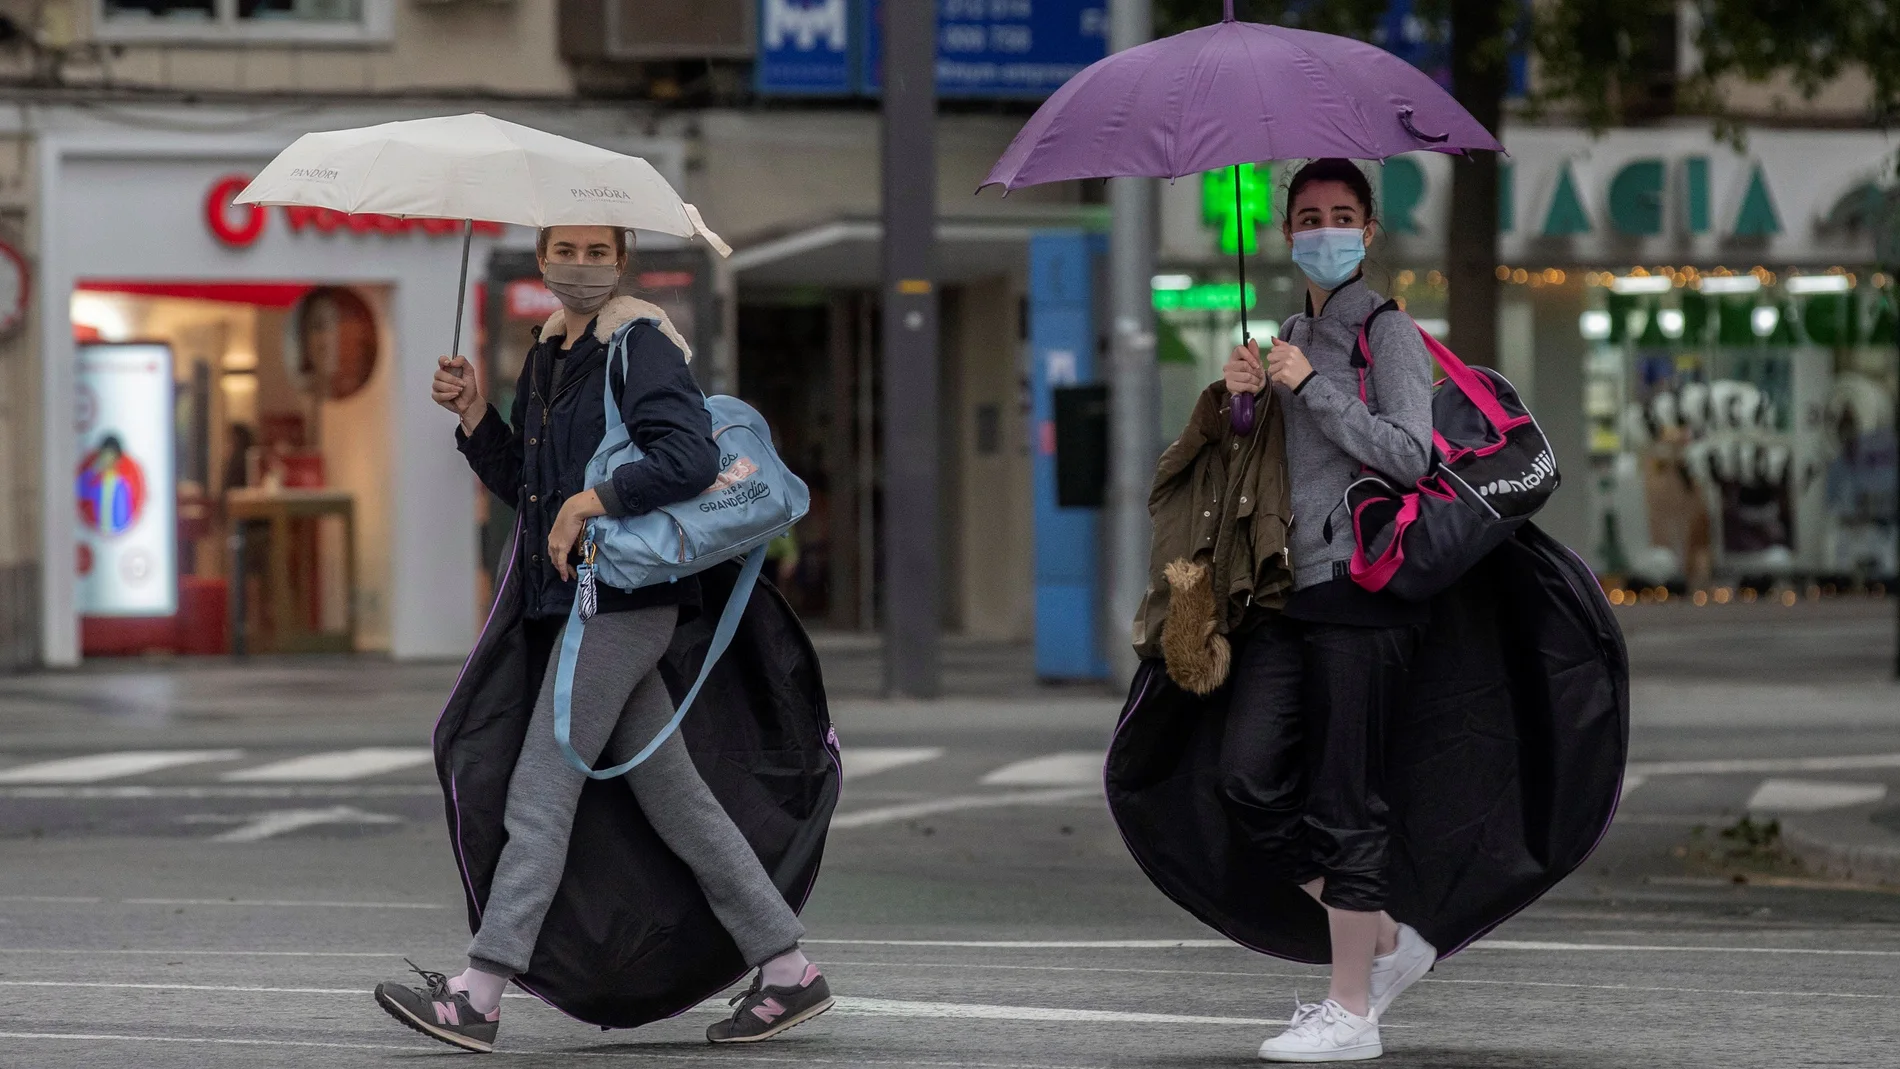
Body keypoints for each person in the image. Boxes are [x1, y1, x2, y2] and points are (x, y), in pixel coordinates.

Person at [373, 224, 832, 1054]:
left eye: (596, 253)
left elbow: (688, 459)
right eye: (565, 250)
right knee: (679, 802)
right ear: (543, 256)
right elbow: (530, 487)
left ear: (620, 262)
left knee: (540, 796)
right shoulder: (551, 354)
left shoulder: (642, 344)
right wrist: (477, 413)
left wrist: (598, 500)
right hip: (580, 601)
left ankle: (478, 992)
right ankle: (789, 969)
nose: (578, 267)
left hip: (622, 600)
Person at [1218, 159, 1437, 1062]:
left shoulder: (1388, 332)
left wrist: (1311, 384)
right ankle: (1384, 938)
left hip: (1362, 588)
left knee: (1348, 798)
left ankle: (1353, 1010)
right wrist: (1242, 404)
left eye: (1342, 215)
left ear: (1370, 231)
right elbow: (1272, 465)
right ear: (1286, 232)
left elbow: (1411, 454)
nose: (1324, 228)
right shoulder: (1288, 333)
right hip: (1286, 589)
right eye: (1308, 216)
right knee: (1246, 777)